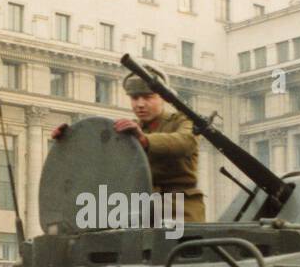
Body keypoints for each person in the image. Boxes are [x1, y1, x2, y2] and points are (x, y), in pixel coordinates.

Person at [50, 64, 206, 222]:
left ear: (163, 97)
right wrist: (69, 142)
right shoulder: (128, 129)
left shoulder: (183, 120)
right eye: (134, 98)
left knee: (173, 244)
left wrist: (144, 140)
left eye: (147, 97)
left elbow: (185, 142)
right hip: (139, 210)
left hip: (178, 207)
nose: (140, 104)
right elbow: (99, 155)